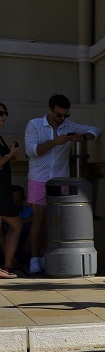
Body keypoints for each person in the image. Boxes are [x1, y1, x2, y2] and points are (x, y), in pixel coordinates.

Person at [24, 94, 101, 276]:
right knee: (39, 220)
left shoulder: (69, 126)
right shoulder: (34, 125)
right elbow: (32, 151)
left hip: (60, 179)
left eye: (66, 115)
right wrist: (54, 142)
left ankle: (47, 257)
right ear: (50, 110)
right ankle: (34, 259)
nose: (62, 119)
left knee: (56, 222)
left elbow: (95, 130)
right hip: (39, 178)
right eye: (59, 115)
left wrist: (82, 138)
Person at [0, 103, 24, 278]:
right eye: (1, 113)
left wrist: (11, 158)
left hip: (3, 188)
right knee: (15, 224)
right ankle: (6, 267)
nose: (4, 116)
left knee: (15, 225)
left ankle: (7, 266)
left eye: (5, 113)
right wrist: (9, 155)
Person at [2, 185, 33, 274]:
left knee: (34, 226)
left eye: (18, 201)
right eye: (13, 201)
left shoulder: (27, 211)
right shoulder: (5, 211)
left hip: (24, 245)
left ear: (24, 199)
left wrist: (21, 222)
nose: (15, 204)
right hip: (4, 244)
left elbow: (37, 217)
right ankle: (9, 257)